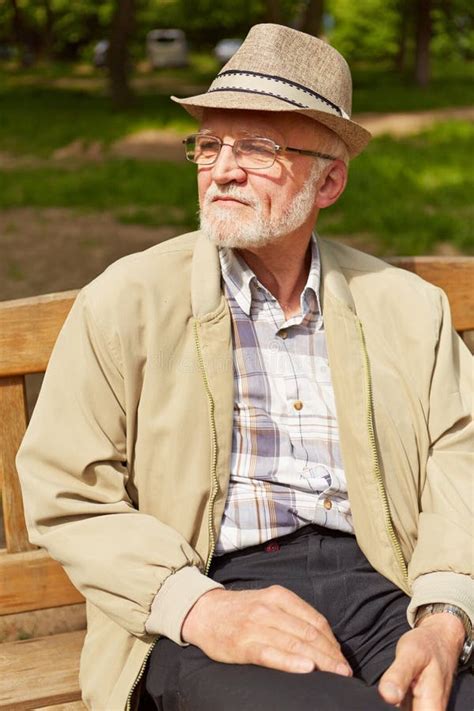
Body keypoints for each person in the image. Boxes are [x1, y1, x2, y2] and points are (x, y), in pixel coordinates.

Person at [17, 23, 472, 711]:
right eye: (208, 145)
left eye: (257, 146)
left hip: (387, 580)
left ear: (330, 180)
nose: (222, 167)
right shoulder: (126, 300)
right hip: (204, 592)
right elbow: (66, 490)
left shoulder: (407, 308)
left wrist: (445, 612)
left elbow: (460, 458)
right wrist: (201, 609)